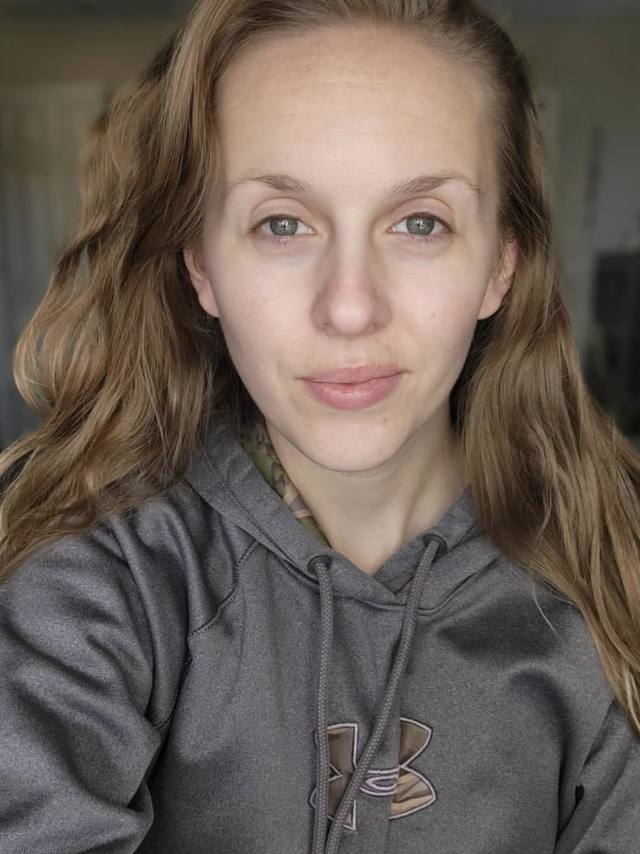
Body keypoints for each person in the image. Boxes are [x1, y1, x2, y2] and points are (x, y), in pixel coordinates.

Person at [1, 0, 639, 851]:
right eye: (282, 224)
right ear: (202, 265)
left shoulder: (611, 573)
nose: (349, 308)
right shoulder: (97, 571)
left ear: (500, 264)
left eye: (420, 223)